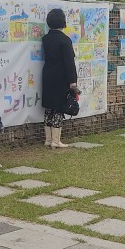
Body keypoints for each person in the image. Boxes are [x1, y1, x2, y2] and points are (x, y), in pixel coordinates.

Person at [42, 8, 78, 148]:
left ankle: (48, 139)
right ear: (63, 22)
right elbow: (69, 63)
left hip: (47, 75)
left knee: (49, 107)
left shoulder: (46, 39)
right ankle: (56, 141)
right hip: (61, 77)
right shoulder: (65, 40)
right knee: (59, 108)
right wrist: (73, 82)